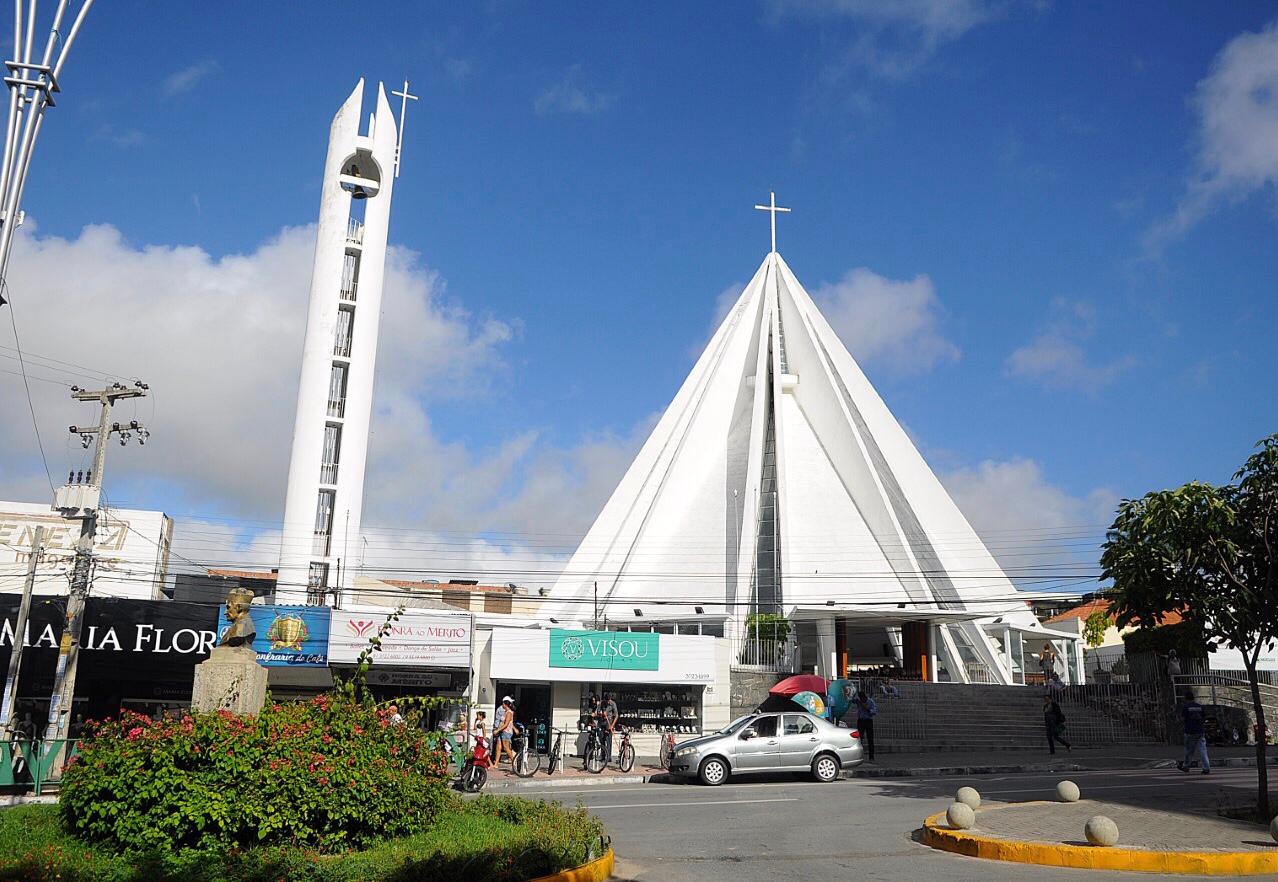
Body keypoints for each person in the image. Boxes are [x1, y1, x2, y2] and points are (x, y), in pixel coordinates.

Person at [1177, 690, 1210, 774]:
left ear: (1186, 698)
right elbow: (1204, 717)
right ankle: (1206, 768)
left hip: (1190, 731)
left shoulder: (1186, 707)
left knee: (1189, 750)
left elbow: (1183, 719)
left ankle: (1186, 766)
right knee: (1203, 750)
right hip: (1200, 731)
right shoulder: (1199, 706)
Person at [492, 696, 516, 766]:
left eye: (503, 704)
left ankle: (513, 761)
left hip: (506, 732)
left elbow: (506, 724)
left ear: (505, 704)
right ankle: (496, 763)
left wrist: (497, 730)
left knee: (506, 747)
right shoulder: (505, 712)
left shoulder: (509, 713)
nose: (502, 705)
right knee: (498, 746)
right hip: (502, 731)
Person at [855, 691, 877, 760]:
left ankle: (871, 756)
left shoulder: (870, 702)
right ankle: (859, 755)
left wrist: (867, 708)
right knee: (859, 739)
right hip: (860, 721)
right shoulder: (858, 701)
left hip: (868, 721)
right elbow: (852, 700)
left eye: (863, 699)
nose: (862, 700)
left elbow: (874, 711)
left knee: (870, 739)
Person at [598, 692, 619, 764]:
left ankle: (608, 757)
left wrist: (612, 725)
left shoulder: (613, 704)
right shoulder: (601, 703)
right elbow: (597, 712)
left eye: (609, 700)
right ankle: (603, 756)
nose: (608, 702)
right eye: (607, 700)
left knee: (608, 741)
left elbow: (616, 716)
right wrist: (601, 713)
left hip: (609, 724)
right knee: (602, 740)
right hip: (602, 723)